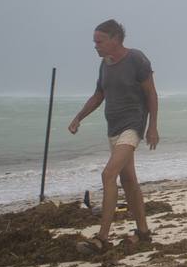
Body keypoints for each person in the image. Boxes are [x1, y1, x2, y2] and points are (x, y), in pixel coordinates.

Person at [68, 19, 159, 252]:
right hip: (114, 128)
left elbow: (151, 93)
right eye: (94, 42)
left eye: (99, 41)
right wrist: (79, 117)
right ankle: (143, 232)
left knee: (109, 174)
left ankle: (102, 238)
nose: (95, 46)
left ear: (115, 39)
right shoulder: (104, 65)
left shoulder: (136, 59)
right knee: (129, 180)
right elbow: (99, 95)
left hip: (133, 125)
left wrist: (152, 127)